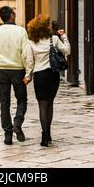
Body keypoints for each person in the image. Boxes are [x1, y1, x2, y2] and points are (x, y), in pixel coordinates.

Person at [24, 16, 70, 147]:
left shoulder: (31, 41)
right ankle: (48, 133)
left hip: (39, 76)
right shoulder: (54, 39)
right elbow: (67, 50)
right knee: (50, 104)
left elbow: (30, 62)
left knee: (42, 105)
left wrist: (28, 77)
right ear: (45, 27)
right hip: (52, 75)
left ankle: (44, 135)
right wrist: (65, 37)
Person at [0, 6, 31, 145]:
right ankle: (17, 123)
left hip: (1, 69)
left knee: (4, 103)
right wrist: (28, 73)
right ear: (11, 16)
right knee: (22, 99)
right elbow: (26, 54)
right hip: (17, 69)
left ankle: (7, 134)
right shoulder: (21, 31)